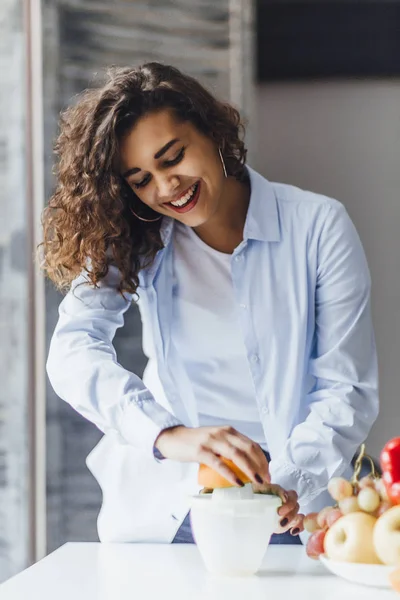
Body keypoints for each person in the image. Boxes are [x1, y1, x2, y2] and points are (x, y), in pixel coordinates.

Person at [41, 62, 379, 546]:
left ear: (212, 130)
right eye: (141, 179)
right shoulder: (137, 235)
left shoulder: (318, 227)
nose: (166, 187)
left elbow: (347, 388)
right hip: (171, 504)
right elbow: (73, 351)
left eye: (172, 157)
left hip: (293, 501)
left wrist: (291, 479)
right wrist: (166, 434)